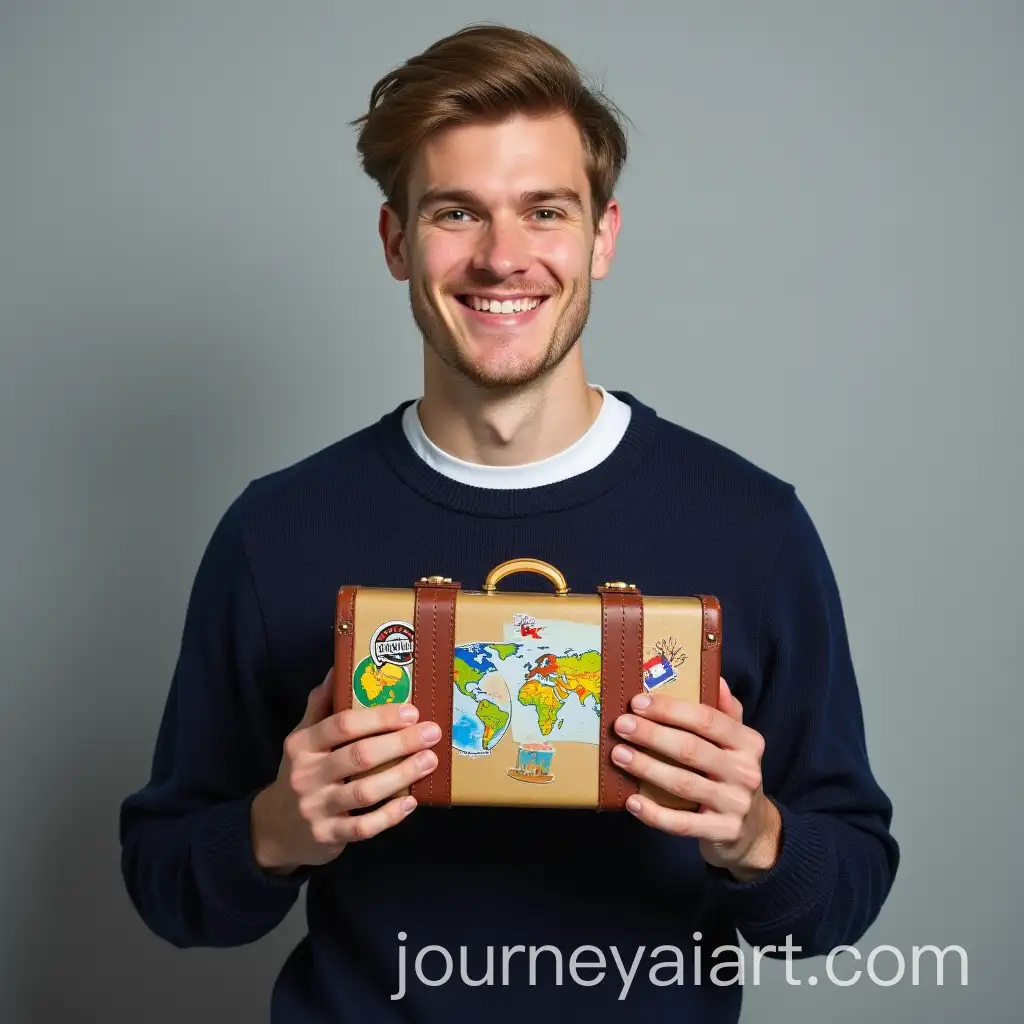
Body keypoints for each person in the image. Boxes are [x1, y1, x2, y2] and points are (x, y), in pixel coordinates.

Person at [119, 23, 899, 1022]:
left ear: (601, 236)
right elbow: (166, 884)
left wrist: (754, 834)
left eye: (545, 211)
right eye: (455, 212)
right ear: (396, 241)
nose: (502, 258)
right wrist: (275, 826)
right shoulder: (277, 530)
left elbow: (846, 892)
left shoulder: (750, 526)